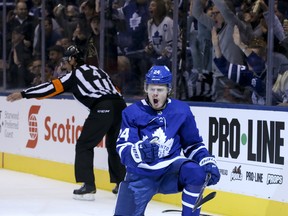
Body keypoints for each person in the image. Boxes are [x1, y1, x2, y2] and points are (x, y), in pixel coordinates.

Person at [6, 45, 126, 200]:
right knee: (113, 145)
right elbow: (116, 89)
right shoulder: (99, 71)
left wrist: (24, 94)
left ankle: (88, 187)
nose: (63, 65)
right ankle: (122, 184)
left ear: (72, 59)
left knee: (84, 144)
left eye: (65, 61)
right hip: (120, 105)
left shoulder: (74, 75)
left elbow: (51, 88)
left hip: (103, 106)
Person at [113, 65, 221, 216]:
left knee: (196, 173)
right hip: (141, 174)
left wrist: (206, 160)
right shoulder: (131, 113)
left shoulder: (181, 110)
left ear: (168, 90)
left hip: (171, 170)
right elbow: (123, 148)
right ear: (146, 88)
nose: (155, 94)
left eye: (160, 89)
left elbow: (193, 144)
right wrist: (137, 152)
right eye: (151, 89)